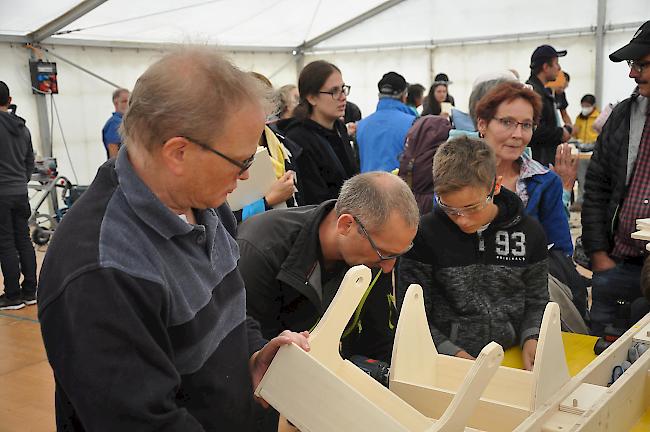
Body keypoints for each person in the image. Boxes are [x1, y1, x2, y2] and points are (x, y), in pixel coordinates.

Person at [37, 47, 310, 431]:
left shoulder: (205, 202)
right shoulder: (101, 269)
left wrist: (253, 357)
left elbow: (232, 306)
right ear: (178, 152)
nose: (247, 176)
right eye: (243, 161)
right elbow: (144, 422)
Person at [398, 136, 549, 370]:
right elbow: (412, 314)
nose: (462, 220)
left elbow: (537, 300)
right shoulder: (424, 235)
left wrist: (533, 337)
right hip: (444, 361)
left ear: (495, 187)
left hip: (512, 356)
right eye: (449, 208)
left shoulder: (530, 233)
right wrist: (451, 352)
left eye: (472, 207)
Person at [582, 20, 650, 336]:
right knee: (602, 360)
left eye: (642, 64)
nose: (632, 73)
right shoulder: (624, 115)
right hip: (617, 264)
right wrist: (598, 253)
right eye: (632, 64)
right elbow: (596, 186)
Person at [475, 81, 573, 255]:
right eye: (507, 122)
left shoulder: (545, 182)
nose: (518, 135)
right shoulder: (458, 176)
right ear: (482, 124)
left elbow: (560, 250)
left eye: (527, 125)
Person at [285, 60, 358, 205]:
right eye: (334, 91)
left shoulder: (339, 127)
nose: (343, 97)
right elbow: (313, 198)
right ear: (311, 97)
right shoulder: (298, 138)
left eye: (343, 89)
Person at [0, 81, 37, 310]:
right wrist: (21, 181)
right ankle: (31, 290)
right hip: (20, 192)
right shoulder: (23, 127)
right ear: (10, 100)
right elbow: (30, 161)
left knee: (5, 243)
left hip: (1, 194)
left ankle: (12, 295)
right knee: (24, 239)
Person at [357, 71, 416, 172]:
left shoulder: (362, 125)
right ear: (403, 95)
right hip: (398, 185)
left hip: (366, 185)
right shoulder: (413, 123)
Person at [526, 45, 572, 166]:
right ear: (546, 67)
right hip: (538, 162)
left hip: (544, 159)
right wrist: (561, 133)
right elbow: (533, 130)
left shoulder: (542, 92)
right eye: (556, 63)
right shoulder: (532, 93)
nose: (559, 68)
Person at [571, 94, 600, 211]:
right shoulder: (580, 117)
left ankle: (592, 201)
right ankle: (581, 200)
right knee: (581, 178)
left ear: (593, 106)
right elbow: (576, 133)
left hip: (594, 153)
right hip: (582, 153)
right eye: (583, 106)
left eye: (587, 106)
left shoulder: (599, 117)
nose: (584, 108)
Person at [101, 88, 129, 159]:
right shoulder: (114, 123)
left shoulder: (127, 122)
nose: (128, 104)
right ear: (116, 103)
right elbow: (113, 154)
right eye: (124, 101)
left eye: (130, 101)